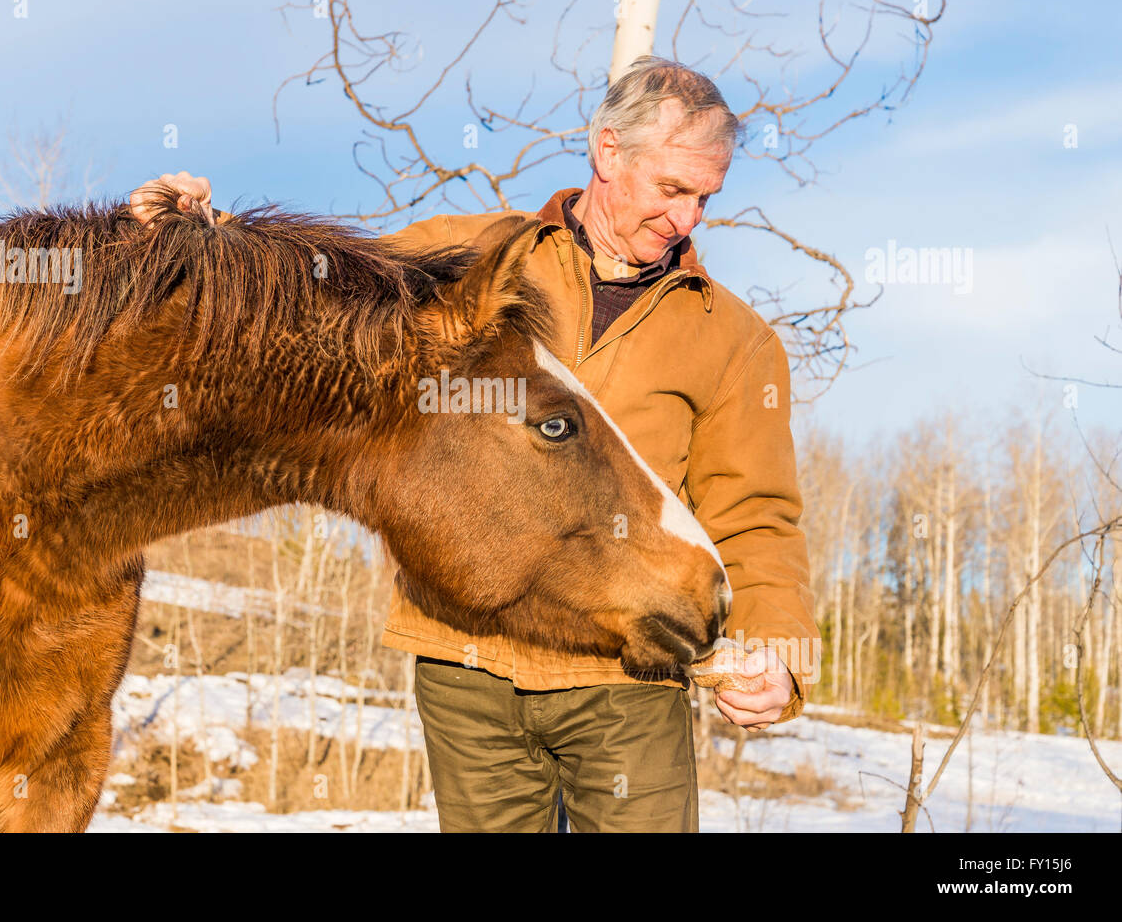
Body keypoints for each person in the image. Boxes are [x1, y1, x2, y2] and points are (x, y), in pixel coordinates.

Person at [129, 55, 821, 833]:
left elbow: (756, 513)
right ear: (608, 152)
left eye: (704, 197)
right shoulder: (467, 258)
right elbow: (320, 301)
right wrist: (202, 239)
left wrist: (778, 651)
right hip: (467, 668)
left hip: (626, 676)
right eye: (672, 189)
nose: (688, 220)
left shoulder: (732, 339)